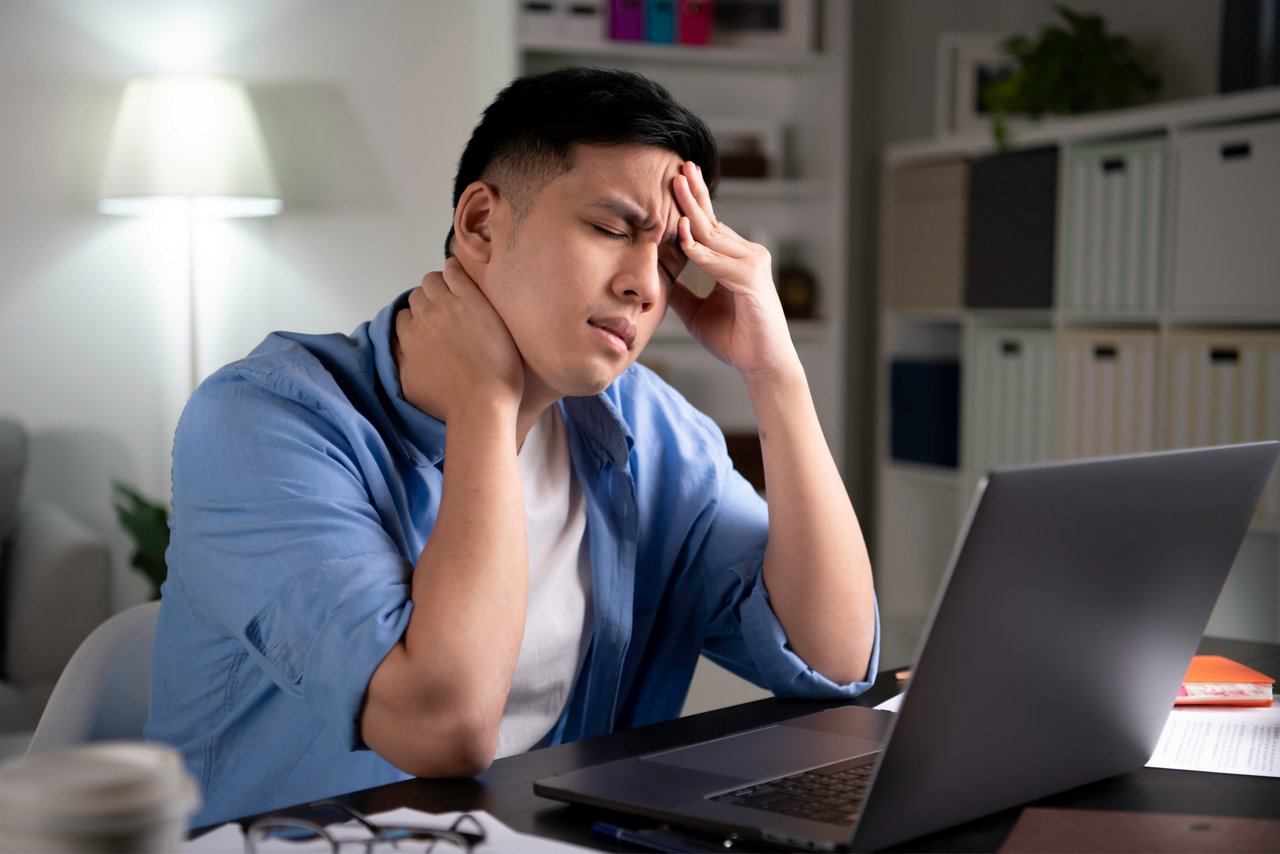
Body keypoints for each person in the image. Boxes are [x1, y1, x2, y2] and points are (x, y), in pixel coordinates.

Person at [147, 67, 879, 827]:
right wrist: (484, 407)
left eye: (669, 259)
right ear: (480, 224)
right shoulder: (260, 423)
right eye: (610, 229)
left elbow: (833, 659)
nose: (645, 287)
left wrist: (776, 372)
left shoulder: (652, 428)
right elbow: (443, 729)